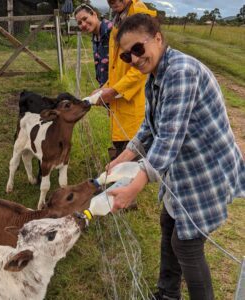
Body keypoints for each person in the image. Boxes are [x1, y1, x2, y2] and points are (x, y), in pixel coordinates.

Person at [107, 13, 245, 300]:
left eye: (138, 49)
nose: (133, 59)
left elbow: (168, 139)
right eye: (126, 55)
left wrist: (134, 186)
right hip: (183, 171)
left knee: (187, 246)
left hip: (206, 171)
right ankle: (168, 294)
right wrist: (124, 158)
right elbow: (150, 127)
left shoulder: (181, 72)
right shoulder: (156, 75)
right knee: (169, 225)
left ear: (157, 39)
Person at [92, 0, 156, 160]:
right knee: (122, 149)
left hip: (131, 102)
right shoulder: (119, 18)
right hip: (120, 100)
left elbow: (140, 69)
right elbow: (117, 68)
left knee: (129, 158)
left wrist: (112, 92)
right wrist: (104, 88)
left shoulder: (139, 16)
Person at [74, 4, 112, 87]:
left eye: (85, 18)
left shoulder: (112, 31)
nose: (83, 24)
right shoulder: (95, 37)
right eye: (79, 23)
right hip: (105, 90)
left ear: (94, 14)